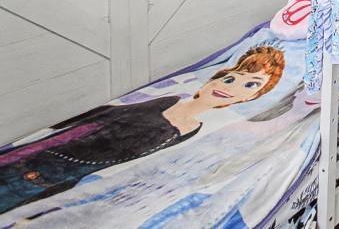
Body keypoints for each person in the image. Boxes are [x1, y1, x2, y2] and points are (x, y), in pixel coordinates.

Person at [0, 45, 286, 214]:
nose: (233, 88)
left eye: (250, 86)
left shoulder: (193, 130)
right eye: (233, 78)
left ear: (251, 97)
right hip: (32, 160)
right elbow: (88, 126)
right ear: (220, 75)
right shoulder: (167, 99)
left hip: (53, 184)